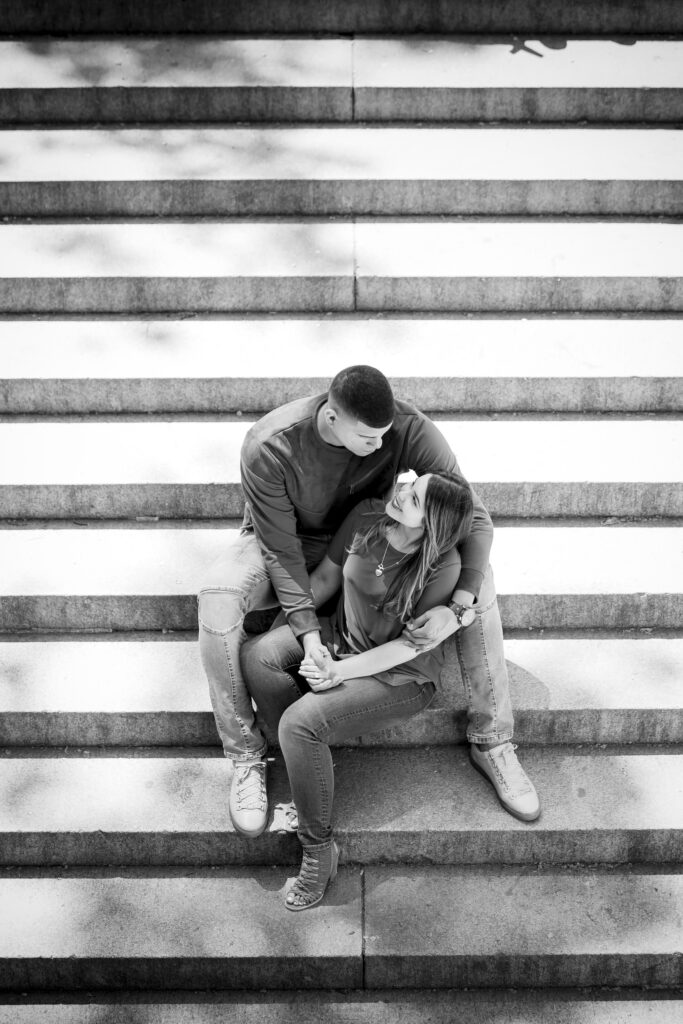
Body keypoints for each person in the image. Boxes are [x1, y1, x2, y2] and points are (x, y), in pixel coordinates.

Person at [197, 365, 539, 840]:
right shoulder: (270, 444)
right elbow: (280, 551)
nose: (381, 447)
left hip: (379, 536)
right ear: (332, 417)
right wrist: (306, 631)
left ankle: (493, 740)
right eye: (367, 437)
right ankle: (247, 756)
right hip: (295, 544)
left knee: (481, 583)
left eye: (385, 436)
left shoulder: (408, 429)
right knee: (216, 597)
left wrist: (457, 606)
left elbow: (471, 516)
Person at [241, 469, 491, 909]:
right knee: (258, 658)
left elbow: (404, 649)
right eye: (406, 487)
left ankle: (319, 850)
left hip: (400, 675)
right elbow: (322, 583)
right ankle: (311, 755)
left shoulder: (443, 565)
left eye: (414, 499)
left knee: (301, 723)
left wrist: (339, 674)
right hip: (340, 636)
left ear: (432, 522)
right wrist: (312, 642)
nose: (400, 495)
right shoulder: (367, 517)